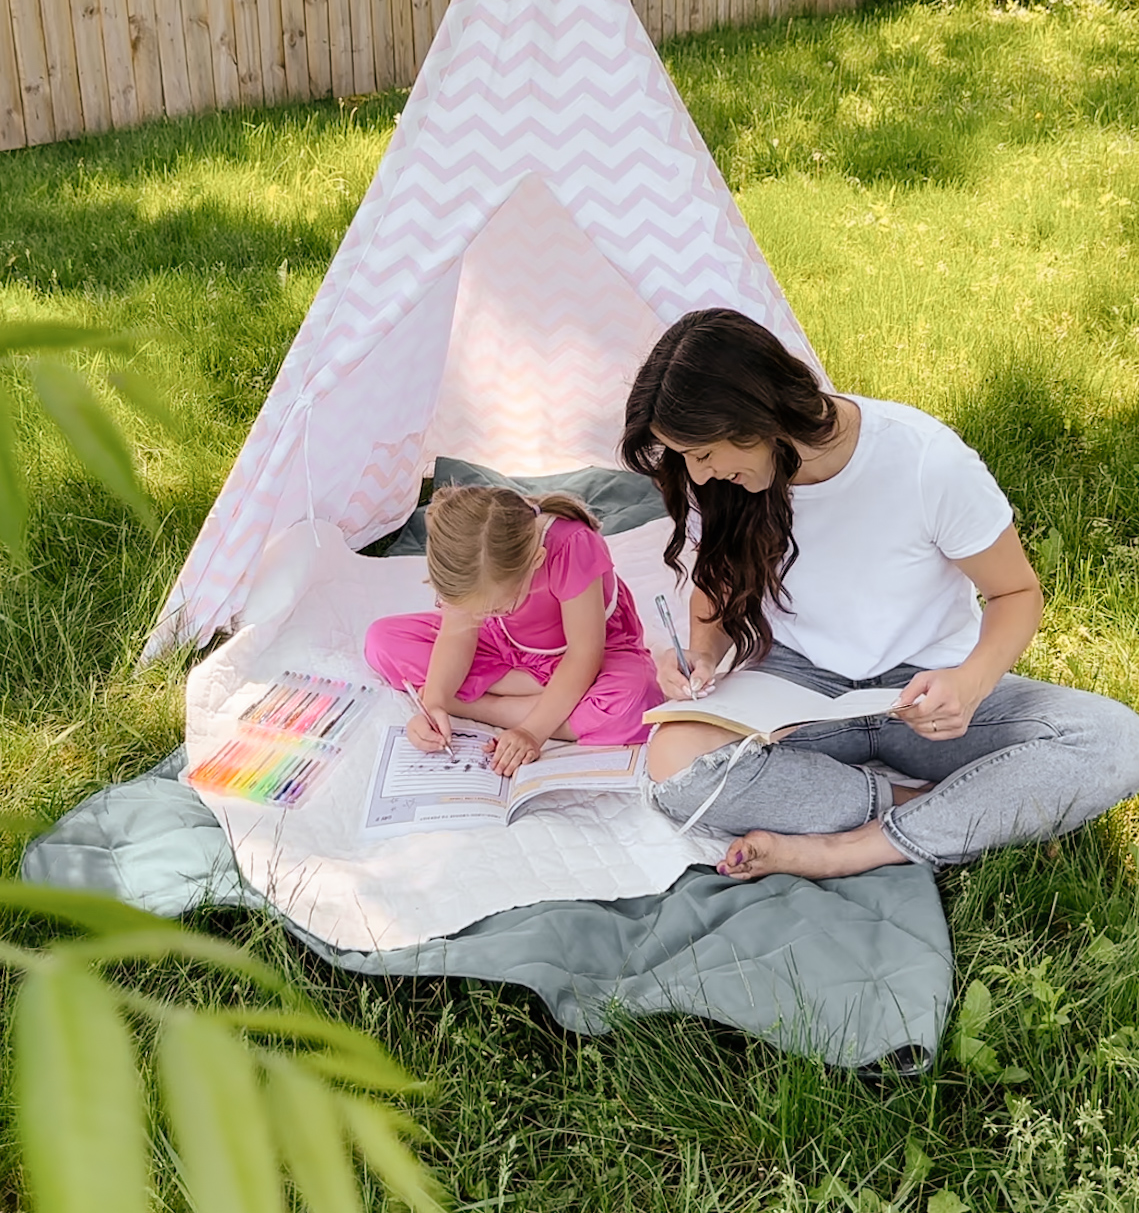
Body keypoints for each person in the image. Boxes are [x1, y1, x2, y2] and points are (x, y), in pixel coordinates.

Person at [620, 307, 1139, 879]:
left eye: (703, 453)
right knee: (675, 760)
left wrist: (968, 685)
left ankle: (848, 850)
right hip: (803, 694)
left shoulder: (924, 461)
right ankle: (918, 808)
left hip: (924, 693)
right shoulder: (726, 484)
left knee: (1114, 740)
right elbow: (716, 589)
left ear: (758, 418)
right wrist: (702, 656)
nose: (696, 475)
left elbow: (1016, 592)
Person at [364, 485, 659, 776]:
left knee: (636, 704)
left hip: (583, 652)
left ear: (536, 562)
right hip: (505, 643)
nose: (481, 615)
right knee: (382, 641)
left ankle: (477, 704)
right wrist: (435, 704)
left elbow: (584, 655)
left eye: (495, 607)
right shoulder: (469, 560)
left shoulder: (573, 545)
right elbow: (457, 634)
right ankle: (545, 691)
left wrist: (532, 731)